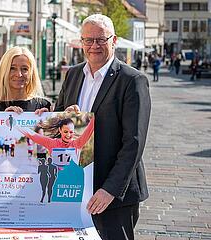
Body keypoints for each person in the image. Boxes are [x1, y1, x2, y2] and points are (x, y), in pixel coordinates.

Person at [54, 14, 151, 239]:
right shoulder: (74, 73)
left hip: (113, 195)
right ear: (81, 42)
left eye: (101, 40)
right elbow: (59, 120)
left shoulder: (132, 80)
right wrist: (65, 116)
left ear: (114, 40)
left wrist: (109, 190)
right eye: (88, 40)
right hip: (77, 187)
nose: (94, 46)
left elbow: (133, 143)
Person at [0, 46, 51, 112]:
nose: (19, 74)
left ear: (32, 73)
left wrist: (51, 121)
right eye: (12, 68)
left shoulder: (43, 106)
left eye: (24, 69)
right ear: (3, 72)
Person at [16, 115, 94, 166]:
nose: (68, 135)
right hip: (56, 183)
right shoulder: (52, 143)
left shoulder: (78, 143)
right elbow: (32, 135)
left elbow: (90, 128)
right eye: (65, 132)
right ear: (60, 130)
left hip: (72, 184)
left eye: (71, 132)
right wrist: (14, 124)